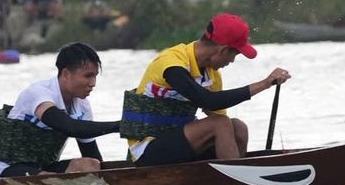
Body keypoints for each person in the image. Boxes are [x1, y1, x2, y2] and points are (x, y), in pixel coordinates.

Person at [120, 14, 290, 167]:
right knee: (220, 123)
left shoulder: (212, 75)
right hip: (147, 150)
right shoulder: (171, 63)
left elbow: (218, 113)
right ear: (223, 50)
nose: (232, 61)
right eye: (235, 55)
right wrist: (265, 83)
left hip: (179, 146)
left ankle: (229, 181)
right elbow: (208, 101)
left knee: (238, 127)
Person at [0, 42, 122, 177]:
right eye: (88, 76)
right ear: (65, 74)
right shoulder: (38, 94)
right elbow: (68, 126)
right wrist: (118, 126)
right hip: (13, 168)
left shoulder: (83, 106)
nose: (93, 83)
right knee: (48, 178)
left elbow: (91, 152)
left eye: (95, 76)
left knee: (92, 164)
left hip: (47, 167)